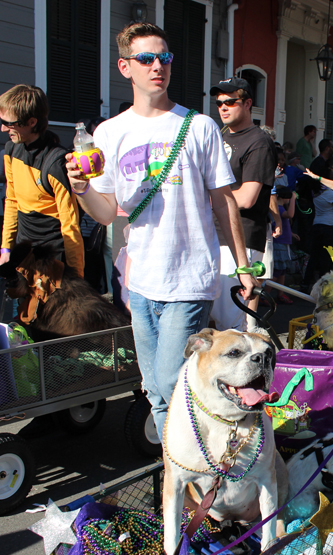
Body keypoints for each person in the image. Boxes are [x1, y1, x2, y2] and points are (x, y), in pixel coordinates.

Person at [66, 22, 256, 438]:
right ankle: (182, 473)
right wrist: (80, 189)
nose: (158, 66)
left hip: (189, 276)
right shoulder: (109, 133)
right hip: (141, 279)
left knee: (173, 380)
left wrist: (244, 268)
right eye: (147, 59)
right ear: (125, 67)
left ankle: (197, 473)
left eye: (165, 58)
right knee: (154, 388)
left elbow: (225, 202)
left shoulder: (199, 126)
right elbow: (103, 212)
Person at [207, 76, 277, 331]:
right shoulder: (219, 136)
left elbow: (248, 197)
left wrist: (204, 198)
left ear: (247, 103)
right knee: (208, 318)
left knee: (231, 324)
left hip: (241, 238)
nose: (223, 107)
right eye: (219, 103)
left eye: (230, 102)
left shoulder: (258, 141)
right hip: (212, 233)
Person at [0, 85, 85, 277]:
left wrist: (76, 274)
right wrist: (6, 249)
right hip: (23, 249)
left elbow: (70, 223)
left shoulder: (56, 162)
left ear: (31, 122)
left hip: (52, 255)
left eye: (9, 123)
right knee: (21, 306)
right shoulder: (11, 150)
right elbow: (11, 201)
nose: (3, 128)